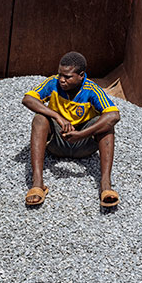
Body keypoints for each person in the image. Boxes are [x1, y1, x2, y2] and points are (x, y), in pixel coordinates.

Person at [22, 51, 121, 208]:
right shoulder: (53, 83)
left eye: (67, 77)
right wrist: (57, 117)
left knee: (106, 126)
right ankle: (37, 183)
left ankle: (105, 185)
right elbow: (28, 99)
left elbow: (114, 115)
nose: (61, 79)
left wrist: (81, 134)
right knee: (39, 119)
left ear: (81, 75)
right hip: (57, 143)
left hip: (84, 145)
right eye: (60, 74)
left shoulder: (92, 90)